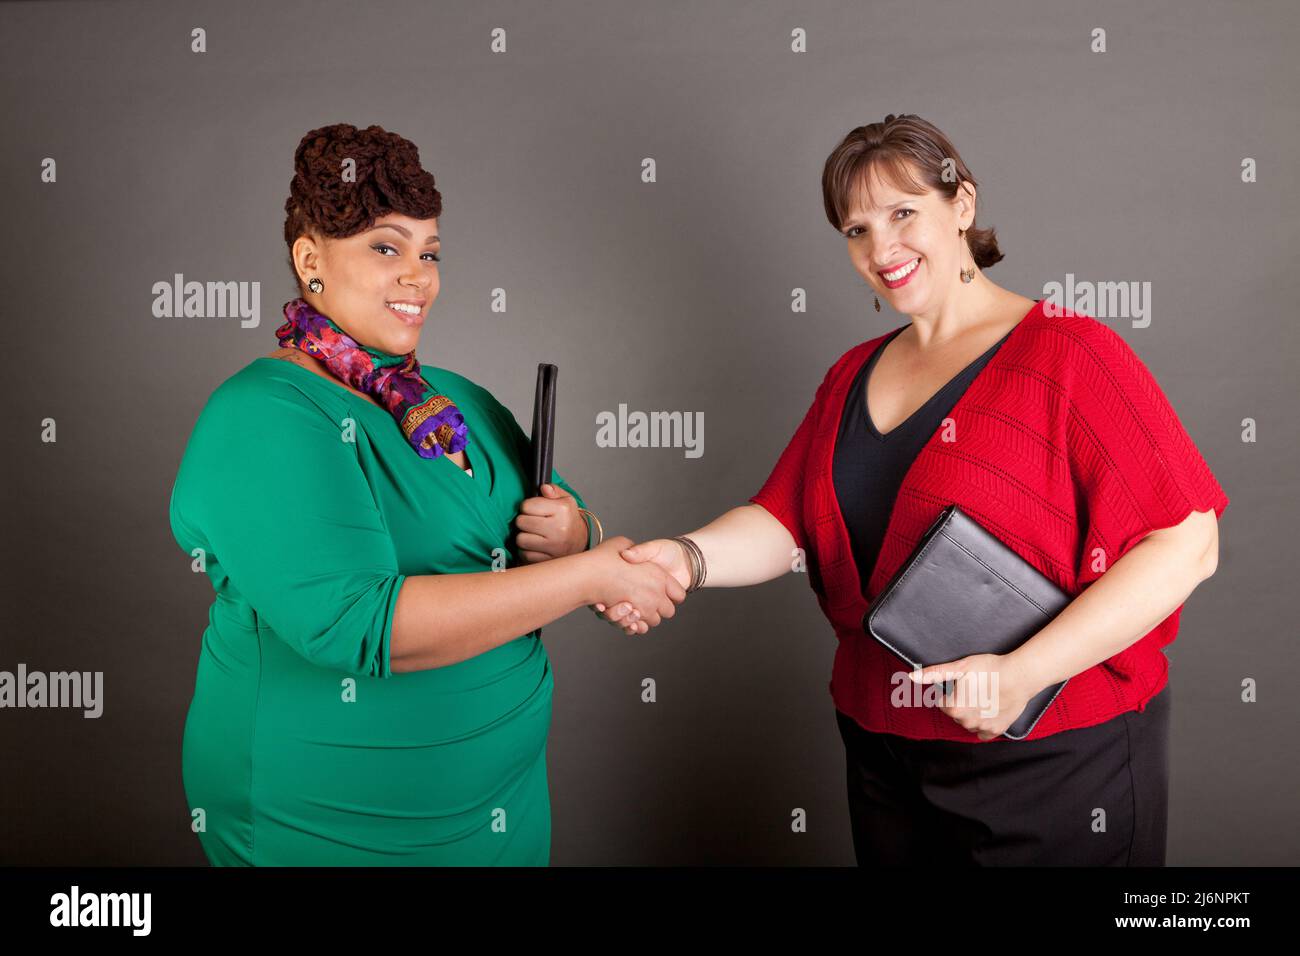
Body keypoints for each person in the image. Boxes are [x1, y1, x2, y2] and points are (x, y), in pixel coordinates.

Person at [598, 114, 1230, 866]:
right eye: (856, 230)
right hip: (884, 751)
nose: (881, 249)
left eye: (903, 214)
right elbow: (785, 518)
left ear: (961, 205)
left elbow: (1189, 544)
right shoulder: (851, 374)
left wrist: (1023, 674)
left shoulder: (1071, 353)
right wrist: (685, 558)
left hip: (1056, 756)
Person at [169, 123, 684, 866]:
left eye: (430, 253)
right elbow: (359, 625)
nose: (420, 278)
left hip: (501, 816)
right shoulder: (264, 414)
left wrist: (577, 534)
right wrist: (590, 573)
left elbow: (558, 519)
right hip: (328, 827)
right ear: (310, 260)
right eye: (387, 248)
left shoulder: (458, 403)